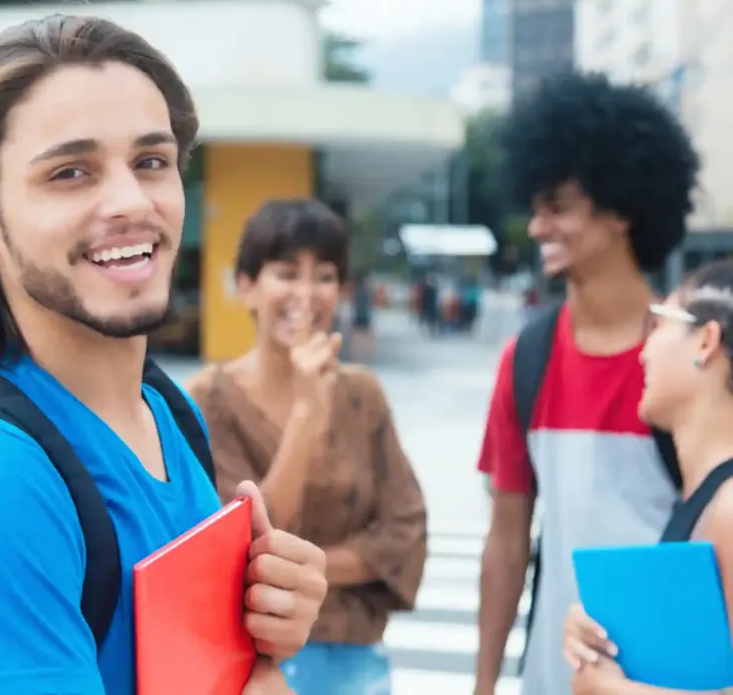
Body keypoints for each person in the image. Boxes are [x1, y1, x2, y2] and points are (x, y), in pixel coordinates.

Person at [0, 14, 328, 695]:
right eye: (71, 172)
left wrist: (262, 625)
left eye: (151, 162)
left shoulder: (165, 412)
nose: (130, 201)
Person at [473, 72, 700, 695]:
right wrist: (484, 684)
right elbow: (507, 543)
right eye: (536, 205)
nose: (538, 226)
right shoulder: (526, 360)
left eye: (559, 207)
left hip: (669, 681)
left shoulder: (690, 360)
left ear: (622, 206)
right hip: (551, 677)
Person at [186, 199, 428, 695]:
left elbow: (404, 531)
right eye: (285, 273)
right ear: (247, 287)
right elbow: (240, 544)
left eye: (324, 276)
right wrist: (306, 413)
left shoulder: (362, 394)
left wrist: (298, 572)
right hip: (253, 665)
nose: (306, 293)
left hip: (356, 661)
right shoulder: (208, 400)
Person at [562, 258, 733, 694]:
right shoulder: (703, 495)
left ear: (706, 341)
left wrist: (611, 690)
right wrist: (601, 640)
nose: (643, 351)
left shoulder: (729, 507)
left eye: (658, 326)